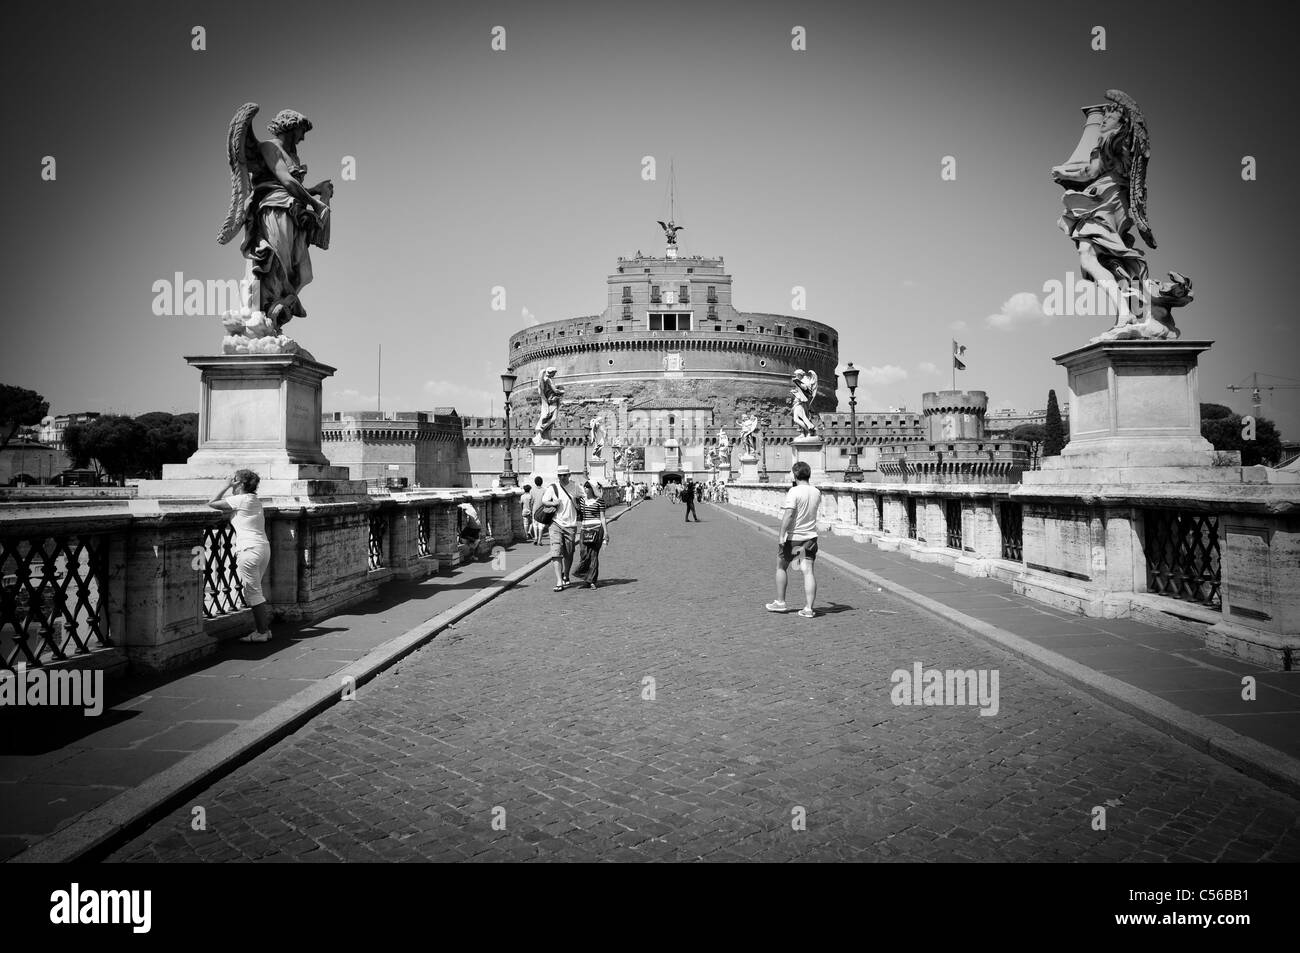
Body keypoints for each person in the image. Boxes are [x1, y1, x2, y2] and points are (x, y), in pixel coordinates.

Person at [208, 469, 273, 642]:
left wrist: (226, 486)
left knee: (253, 593)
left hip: (248, 550)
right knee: (255, 590)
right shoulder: (253, 500)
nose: (231, 481)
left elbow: (212, 502)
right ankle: (264, 630)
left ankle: (262, 632)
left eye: (234, 479)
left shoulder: (240, 499)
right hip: (263, 547)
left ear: (241, 483)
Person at [767, 461, 821, 618]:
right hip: (810, 537)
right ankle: (809, 608)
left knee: (781, 567)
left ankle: (780, 602)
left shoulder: (794, 492)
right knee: (808, 572)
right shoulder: (817, 492)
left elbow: (789, 514)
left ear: (795, 474)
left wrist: (781, 534)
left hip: (793, 537)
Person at [540, 465, 581, 591]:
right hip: (555, 523)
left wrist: (576, 502)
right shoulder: (553, 487)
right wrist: (553, 503)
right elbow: (544, 501)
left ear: (569, 475)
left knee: (569, 553)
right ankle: (559, 581)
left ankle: (566, 575)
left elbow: (587, 499)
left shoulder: (576, 487)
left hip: (571, 525)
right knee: (556, 552)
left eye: (564, 475)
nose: (562, 477)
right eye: (560, 475)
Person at [572, 480, 611, 590]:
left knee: (593, 555)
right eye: (584, 487)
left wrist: (606, 532)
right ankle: (584, 576)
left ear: (592, 489)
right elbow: (575, 502)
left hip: (596, 530)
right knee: (584, 554)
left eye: (587, 487)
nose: (585, 489)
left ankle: (591, 580)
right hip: (584, 530)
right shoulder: (583, 501)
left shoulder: (600, 501)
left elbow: (602, 517)